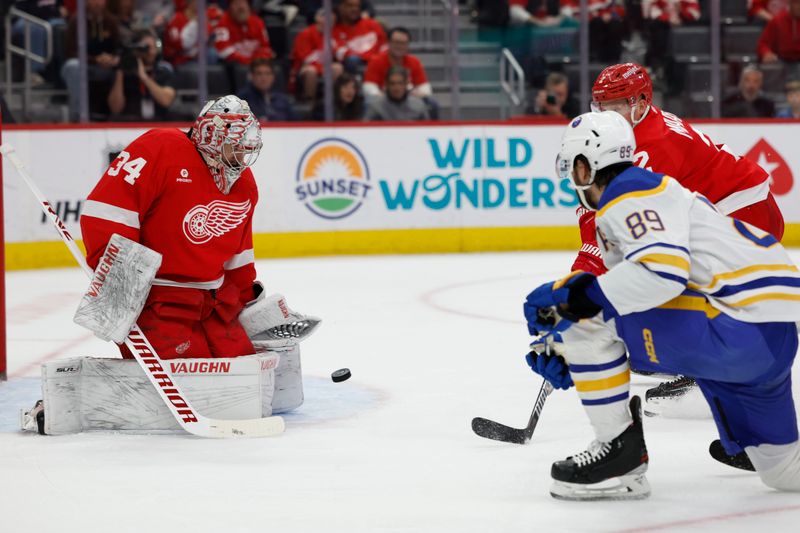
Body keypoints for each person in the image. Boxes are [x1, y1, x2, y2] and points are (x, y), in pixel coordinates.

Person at [522, 110, 800, 500]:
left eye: (573, 169)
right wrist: (572, 353)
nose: (572, 180)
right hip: (774, 337)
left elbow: (661, 273)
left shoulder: (630, 193)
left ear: (586, 166)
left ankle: (620, 458)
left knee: (579, 316)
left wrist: (573, 310)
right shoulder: (659, 191)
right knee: (785, 472)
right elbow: (655, 286)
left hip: (738, 330)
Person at [575, 63, 784, 418]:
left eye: (616, 107)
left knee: (679, 277)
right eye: (600, 107)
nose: (606, 116)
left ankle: (705, 370)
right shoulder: (630, 134)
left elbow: (631, 217)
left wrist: (590, 267)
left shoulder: (654, 146)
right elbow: (599, 206)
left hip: (744, 209)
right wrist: (590, 258)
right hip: (724, 207)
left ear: (641, 103)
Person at [79, 95, 264, 359]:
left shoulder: (244, 182)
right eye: (237, 144)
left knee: (244, 368)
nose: (243, 153)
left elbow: (240, 253)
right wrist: (120, 286)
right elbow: (107, 213)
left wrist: (247, 300)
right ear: (211, 135)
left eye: (246, 145)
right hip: (156, 300)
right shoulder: (160, 147)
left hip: (213, 305)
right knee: (193, 375)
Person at [61, 0, 121, 121]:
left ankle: (119, 115)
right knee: (72, 66)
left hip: (107, 67)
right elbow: (69, 52)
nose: (98, 3)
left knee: (123, 67)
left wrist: (112, 59)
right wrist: (94, 60)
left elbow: (120, 47)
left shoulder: (111, 21)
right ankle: (78, 116)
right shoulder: (76, 21)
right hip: (85, 66)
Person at [108, 29, 177, 121]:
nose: (151, 52)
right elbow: (115, 108)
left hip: (159, 123)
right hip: (129, 123)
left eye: (154, 48)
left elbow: (166, 100)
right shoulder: (125, 72)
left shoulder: (164, 70)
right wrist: (121, 69)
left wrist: (144, 77)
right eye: (146, 48)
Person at [215, 0, 274, 91]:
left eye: (243, 4)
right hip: (234, 66)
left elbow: (265, 47)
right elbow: (224, 51)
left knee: (268, 66)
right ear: (230, 7)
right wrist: (248, 61)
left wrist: (256, 61)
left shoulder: (257, 22)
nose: (241, 7)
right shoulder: (223, 22)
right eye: (237, 4)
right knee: (235, 67)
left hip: (253, 62)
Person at [363, 27, 432, 100]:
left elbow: (425, 88)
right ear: (389, 43)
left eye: (403, 43)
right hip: (383, 99)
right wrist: (380, 96)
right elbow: (369, 86)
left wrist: (416, 95)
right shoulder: (376, 61)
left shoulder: (414, 62)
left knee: (431, 103)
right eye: (396, 42)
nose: (399, 46)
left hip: (408, 99)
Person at [289, 8, 343, 101]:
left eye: (333, 21)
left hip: (323, 66)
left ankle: (334, 101)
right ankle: (309, 101)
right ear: (318, 19)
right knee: (311, 71)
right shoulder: (306, 34)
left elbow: (340, 53)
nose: (330, 23)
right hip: (303, 67)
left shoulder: (333, 35)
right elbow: (305, 59)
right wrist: (321, 68)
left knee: (337, 67)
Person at [332, 0, 386, 73]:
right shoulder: (334, 29)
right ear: (340, 8)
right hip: (351, 63)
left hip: (375, 61)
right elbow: (339, 53)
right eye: (350, 5)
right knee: (352, 60)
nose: (355, 9)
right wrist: (367, 57)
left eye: (357, 6)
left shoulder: (371, 24)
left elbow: (384, 45)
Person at [364, 66, 429, 121]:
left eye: (400, 83)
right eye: (392, 83)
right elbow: (364, 131)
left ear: (407, 84)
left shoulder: (418, 105)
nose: (396, 88)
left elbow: (427, 130)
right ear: (386, 84)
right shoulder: (375, 107)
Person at [758, 0, 800, 65]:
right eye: (797, 3)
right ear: (790, 3)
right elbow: (763, 44)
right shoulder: (778, 20)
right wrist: (766, 53)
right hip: (782, 61)